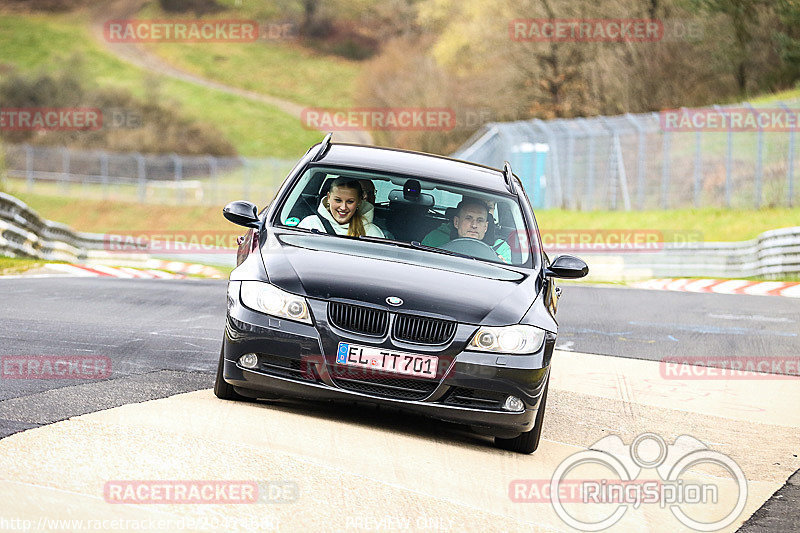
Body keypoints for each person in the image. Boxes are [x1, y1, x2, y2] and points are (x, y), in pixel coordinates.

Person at [422, 198, 511, 262]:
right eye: (468, 218)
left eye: (480, 220)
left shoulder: (501, 248)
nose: (474, 225)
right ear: (456, 222)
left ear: (486, 227)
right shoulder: (434, 239)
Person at [298, 177, 385, 238]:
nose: (343, 207)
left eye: (350, 202)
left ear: (359, 202)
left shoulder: (372, 232)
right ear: (328, 197)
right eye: (338, 200)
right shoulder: (309, 224)